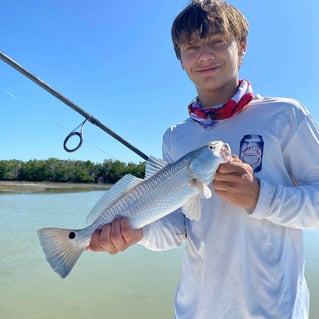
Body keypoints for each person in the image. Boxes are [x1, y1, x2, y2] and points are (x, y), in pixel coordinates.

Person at [88, 1, 319, 318]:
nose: (205, 55)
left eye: (217, 41)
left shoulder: (286, 115)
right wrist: (138, 233)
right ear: (180, 60)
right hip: (196, 309)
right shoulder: (176, 137)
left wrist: (259, 195)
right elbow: (179, 227)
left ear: (242, 47)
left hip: (274, 310)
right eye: (192, 46)